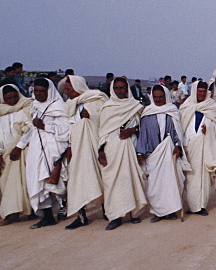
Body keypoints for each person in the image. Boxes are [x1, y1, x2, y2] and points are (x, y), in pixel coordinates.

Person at [17, 78, 69, 229]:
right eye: (36, 91)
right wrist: (20, 145)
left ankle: (63, 208)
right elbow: (33, 129)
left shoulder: (58, 107)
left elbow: (65, 130)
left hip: (53, 147)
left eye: (42, 91)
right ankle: (47, 216)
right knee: (38, 180)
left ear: (49, 91)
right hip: (37, 146)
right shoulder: (34, 105)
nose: (38, 94)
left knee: (56, 180)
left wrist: (45, 126)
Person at [97, 77, 148, 230]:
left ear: (127, 89)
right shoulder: (107, 108)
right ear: (113, 89)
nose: (120, 91)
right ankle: (116, 216)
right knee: (113, 182)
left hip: (130, 147)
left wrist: (133, 130)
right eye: (117, 88)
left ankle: (134, 213)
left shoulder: (135, 107)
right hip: (111, 149)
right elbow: (102, 132)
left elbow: (143, 128)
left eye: (123, 88)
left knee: (131, 179)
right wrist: (100, 151)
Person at [60, 75, 106, 229]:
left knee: (102, 178)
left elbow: (105, 121)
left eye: (68, 89)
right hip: (77, 148)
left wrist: (91, 117)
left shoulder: (96, 99)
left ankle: (107, 210)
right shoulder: (69, 105)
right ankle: (81, 216)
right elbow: (67, 128)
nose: (66, 92)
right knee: (76, 181)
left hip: (95, 146)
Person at [136, 84, 185, 222]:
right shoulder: (147, 113)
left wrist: (177, 146)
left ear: (166, 97)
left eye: (161, 97)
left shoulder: (172, 111)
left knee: (170, 183)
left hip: (168, 153)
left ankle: (171, 211)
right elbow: (143, 135)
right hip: (153, 154)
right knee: (154, 186)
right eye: (156, 97)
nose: (158, 99)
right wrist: (140, 152)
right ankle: (158, 212)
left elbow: (177, 132)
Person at [179, 80, 216, 216]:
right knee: (189, 178)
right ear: (194, 92)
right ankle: (190, 205)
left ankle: (201, 205)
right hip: (189, 147)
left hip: (204, 146)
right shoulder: (186, 107)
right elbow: (181, 126)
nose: (201, 94)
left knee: (203, 177)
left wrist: (208, 128)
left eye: (204, 92)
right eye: (199, 92)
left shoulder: (211, 106)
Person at [0, 85, 33, 224]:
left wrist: (19, 147)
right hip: (6, 154)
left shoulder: (26, 107)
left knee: (21, 182)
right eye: (8, 98)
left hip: (22, 151)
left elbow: (30, 129)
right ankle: (12, 211)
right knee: (6, 184)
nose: (13, 100)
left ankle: (16, 213)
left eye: (15, 96)